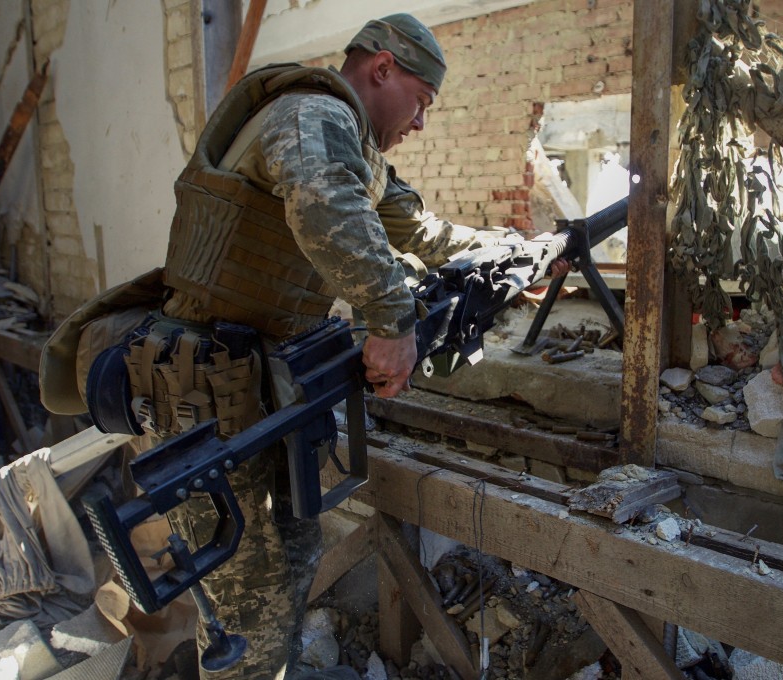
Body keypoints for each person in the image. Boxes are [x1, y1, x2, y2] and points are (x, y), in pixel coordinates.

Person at [41, 13, 569, 680]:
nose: (421, 124)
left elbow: (425, 232)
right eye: (423, 101)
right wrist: (390, 320)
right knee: (250, 611)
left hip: (255, 389)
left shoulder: (357, 153)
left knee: (280, 570)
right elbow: (324, 207)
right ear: (382, 69)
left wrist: (523, 252)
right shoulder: (312, 115)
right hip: (204, 396)